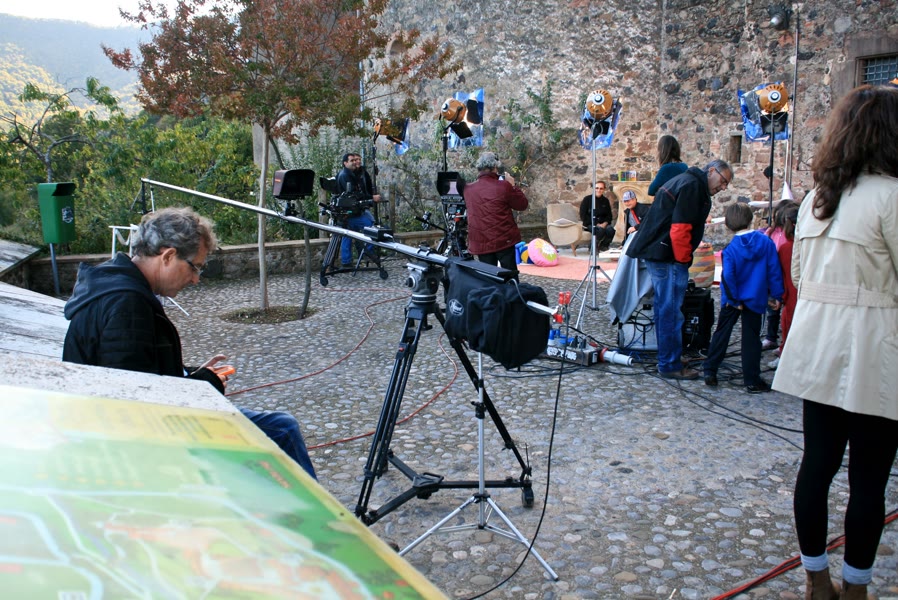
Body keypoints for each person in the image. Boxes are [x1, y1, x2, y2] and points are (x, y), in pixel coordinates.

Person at [62, 207, 317, 480]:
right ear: (168, 256)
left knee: (280, 426)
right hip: (126, 446)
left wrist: (187, 373)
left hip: (118, 429)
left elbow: (138, 369)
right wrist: (203, 385)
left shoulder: (116, 286)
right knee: (281, 430)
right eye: (194, 267)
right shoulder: (127, 304)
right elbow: (136, 406)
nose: (195, 279)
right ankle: (310, 508)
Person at [772, 84, 898, 600]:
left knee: (817, 466)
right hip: (876, 349)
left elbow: (800, 276)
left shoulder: (815, 201)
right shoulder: (892, 196)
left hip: (819, 344)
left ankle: (815, 577)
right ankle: (856, 586)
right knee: (869, 478)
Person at [626, 159, 734, 380]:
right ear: (711, 171)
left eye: (726, 184)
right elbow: (680, 229)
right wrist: (683, 260)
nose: (723, 187)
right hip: (667, 255)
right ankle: (669, 364)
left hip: (661, 252)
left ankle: (669, 357)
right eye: (723, 181)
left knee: (666, 309)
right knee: (670, 311)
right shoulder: (692, 186)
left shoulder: (687, 182)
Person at [702, 203, 783, 393]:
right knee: (751, 339)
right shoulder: (766, 243)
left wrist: (733, 300)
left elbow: (728, 276)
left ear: (728, 224)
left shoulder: (731, 249)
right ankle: (752, 380)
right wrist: (777, 294)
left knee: (722, 334)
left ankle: (710, 370)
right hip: (755, 297)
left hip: (733, 299)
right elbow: (774, 271)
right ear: (750, 219)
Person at [463, 151, 529, 275]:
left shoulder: (468, 189)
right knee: (509, 276)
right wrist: (512, 185)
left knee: (488, 277)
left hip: (481, 241)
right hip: (503, 239)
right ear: (495, 167)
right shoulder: (504, 186)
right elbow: (522, 205)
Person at [760, 200, 797, 352]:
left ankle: (786, 345)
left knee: (788, 314)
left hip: (785, 275)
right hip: (775, 274)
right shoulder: (772, 233)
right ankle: (771, 337)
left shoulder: (788, 241)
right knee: (773, 311)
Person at [335, 152, 380, 268]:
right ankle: (367, 253)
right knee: (370, 228)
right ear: (345, 163)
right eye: (352, 161)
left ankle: (347, 261)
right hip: (351, 211)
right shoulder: (345, 176)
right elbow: (354, 194)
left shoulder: (351, 174)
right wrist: (370, 198)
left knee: (348, 234)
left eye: (356, 160)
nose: (355, 163)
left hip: (350, 211)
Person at [769, 203, 799, 369]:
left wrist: (779, 296)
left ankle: (785, 357)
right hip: (799, 293)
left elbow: (781, 275)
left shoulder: (787, 248)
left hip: (791, 294)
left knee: (788, 326)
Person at [579, 180, 616, 251]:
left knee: (611, 230)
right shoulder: (587, 199)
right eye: (597, 188)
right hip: (590, 224)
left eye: (601, 188)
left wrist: (605, 223)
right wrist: (596, 224)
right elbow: (583, 215)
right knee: (599, 230)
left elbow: (609, 215)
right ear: (593, 188)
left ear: (604, 189)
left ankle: (603, 246)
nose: (599, 190)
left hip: (603, 224)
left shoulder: (605, 200)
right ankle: (593, 247)